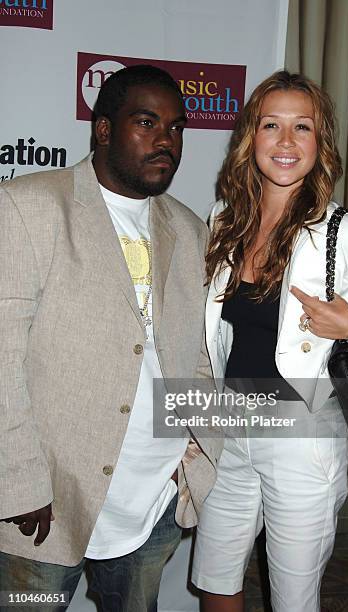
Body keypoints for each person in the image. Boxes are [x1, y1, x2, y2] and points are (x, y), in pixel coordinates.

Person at [0, 64, 222, 612]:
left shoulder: (191, 230)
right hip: (49, 499)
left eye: (175, 128)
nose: (165, 141)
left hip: (153, 500)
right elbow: (3, 357)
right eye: (146, 122)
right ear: (103, 129)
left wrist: (192, 454)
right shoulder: (28, 206)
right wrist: (20, 483)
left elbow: (197, 354)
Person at [191, 70, 348, 611]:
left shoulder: (347, 232)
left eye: (302, 127)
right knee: (214, 579)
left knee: (292, 596)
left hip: (301, 435)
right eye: (271, 125)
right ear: (251, 138)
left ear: (320, 142)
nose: (286, 142)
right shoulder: (223, 222)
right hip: (228, 424)